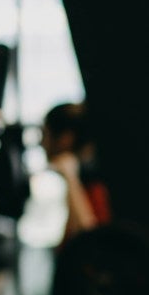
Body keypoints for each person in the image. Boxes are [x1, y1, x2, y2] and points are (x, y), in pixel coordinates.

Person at [39, 101, 110, 244]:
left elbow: (92, 239)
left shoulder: (93, 183)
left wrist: (71, 178)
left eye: (45, 134)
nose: (42, 143)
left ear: (65, 138)